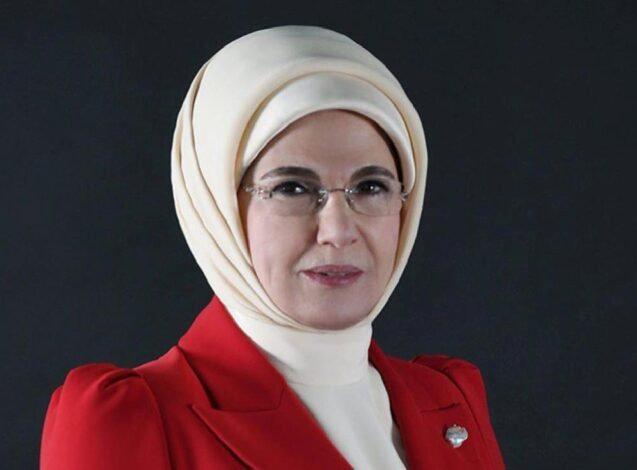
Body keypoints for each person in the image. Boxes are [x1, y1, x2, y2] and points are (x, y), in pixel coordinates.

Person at [40, 26, 505, 469]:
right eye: (292, 189)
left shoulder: (448, 400)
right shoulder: (130, 420)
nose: (338, 231)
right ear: (218, 207)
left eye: (370, 187)